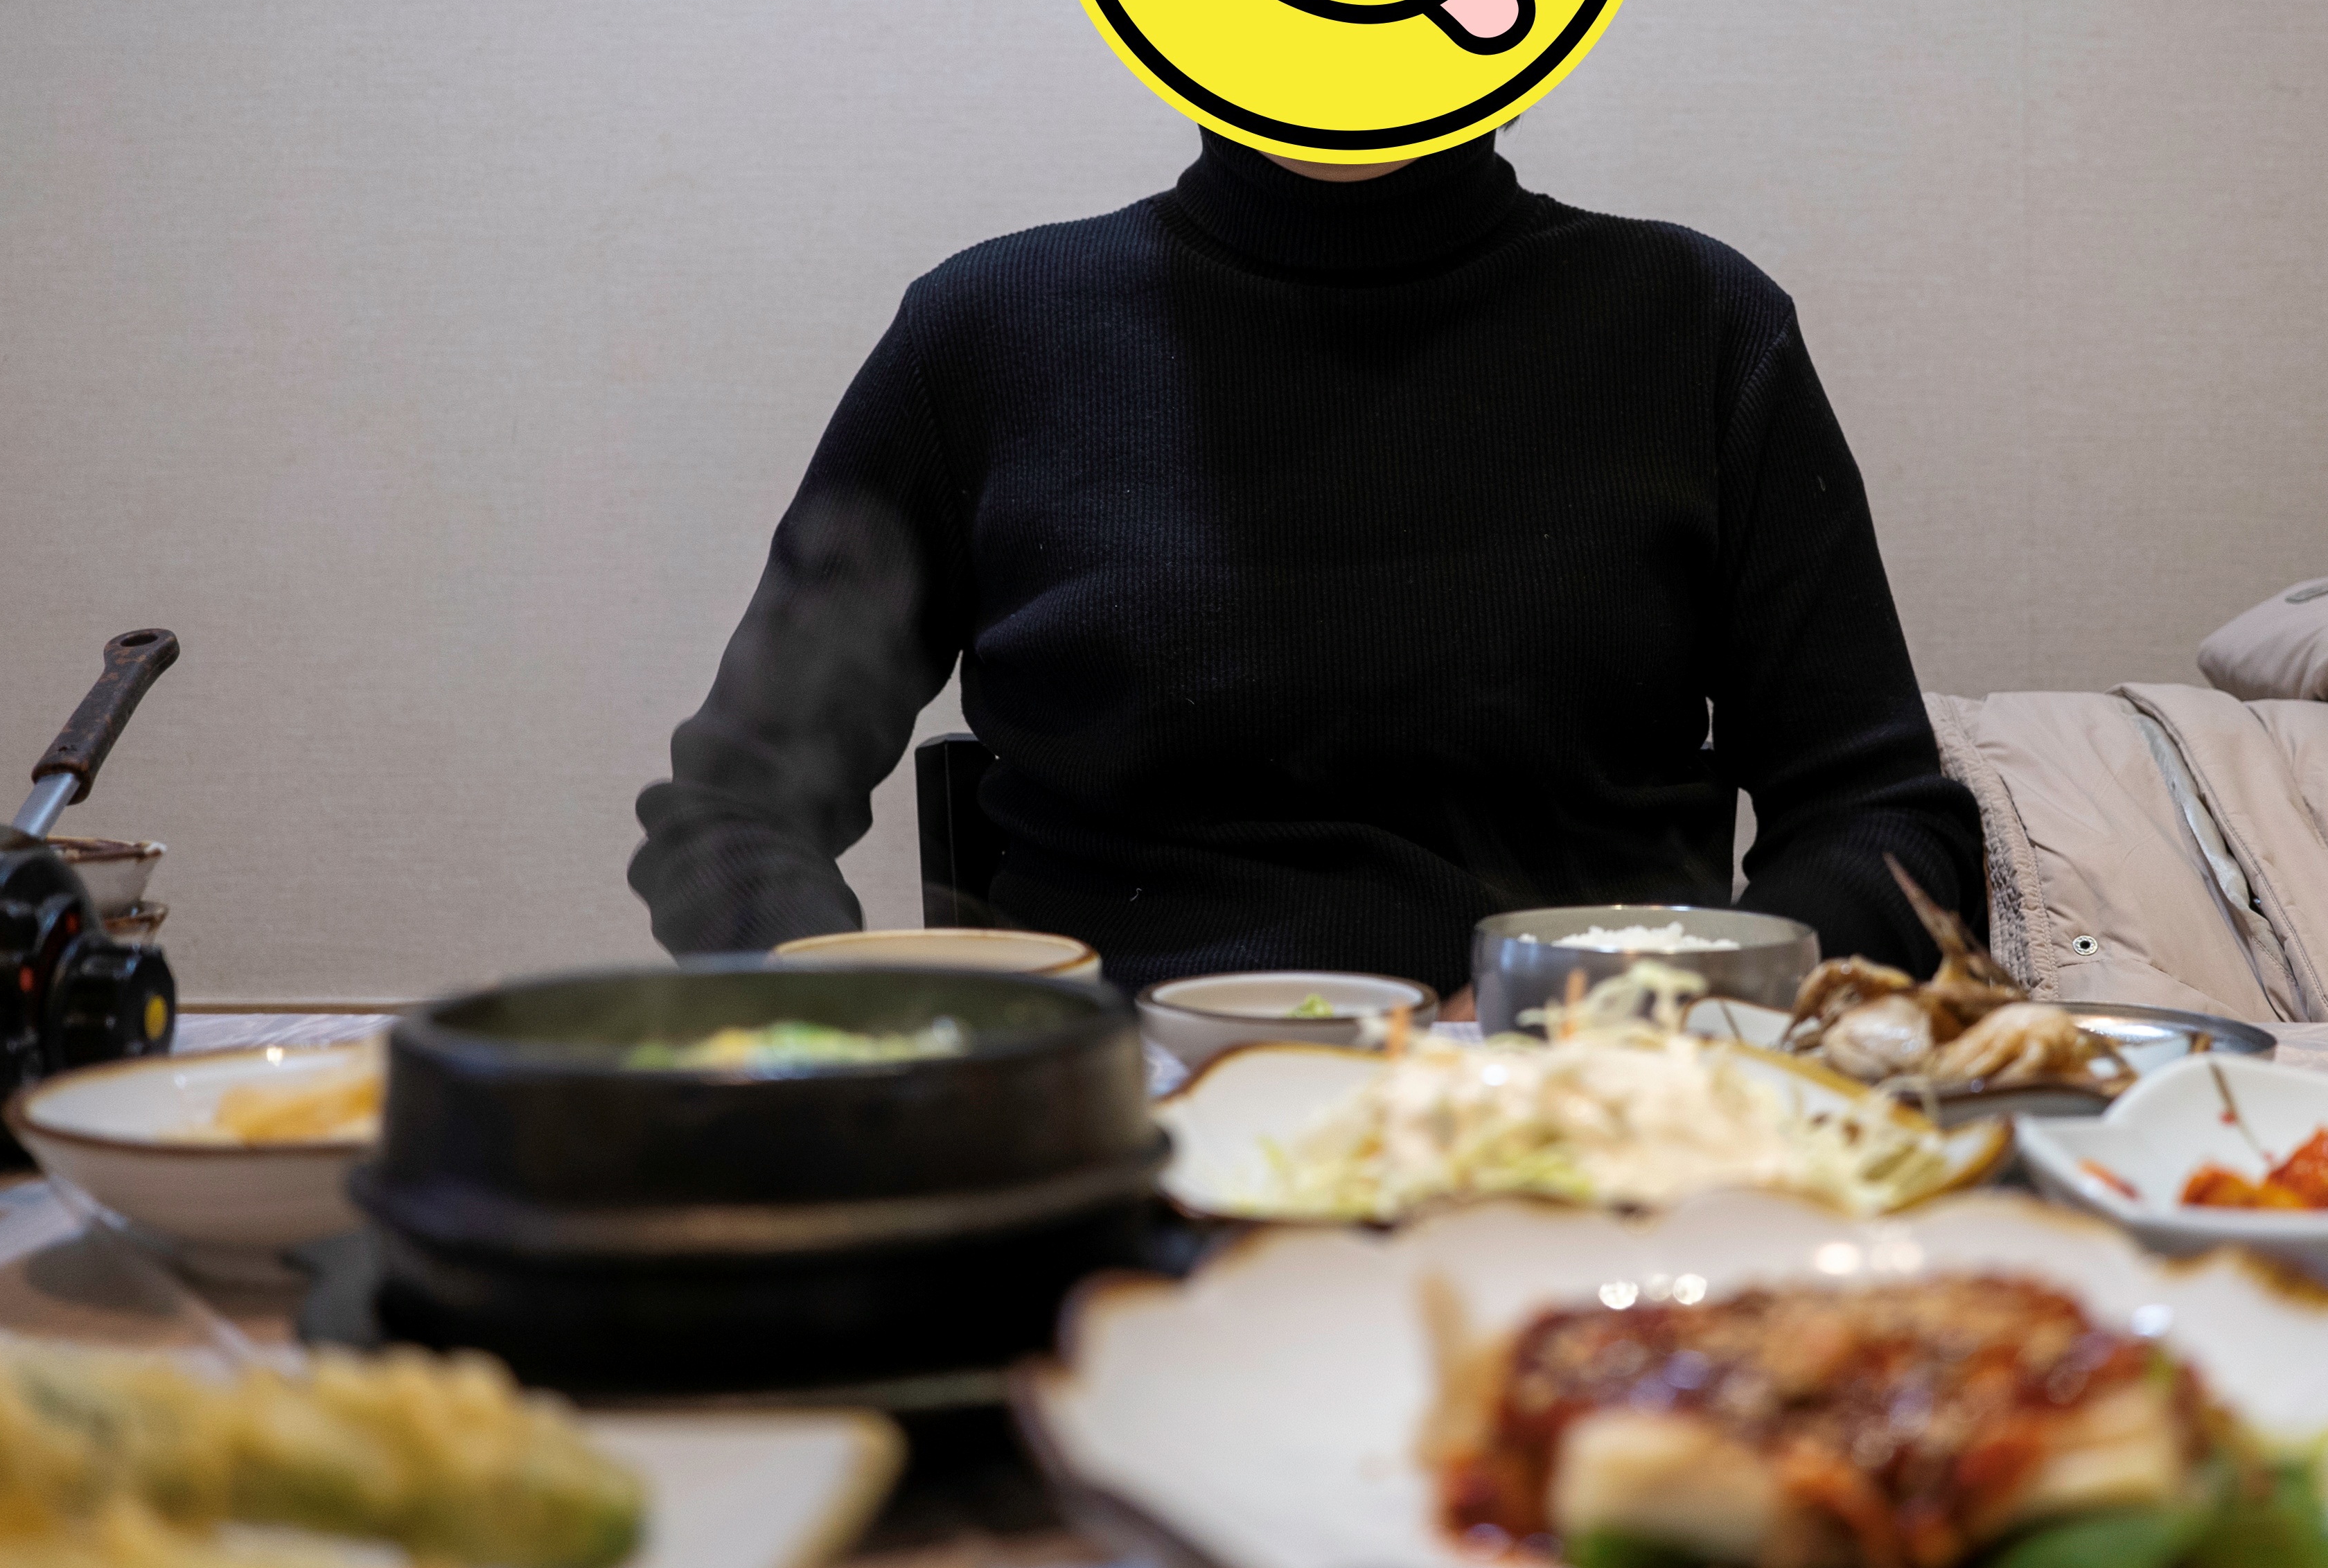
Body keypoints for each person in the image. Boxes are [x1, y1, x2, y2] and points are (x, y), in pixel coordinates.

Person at [628, 124, 1986, 993]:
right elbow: (731, 815)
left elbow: (1886, 830)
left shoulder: (1698, 326)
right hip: (1118, 1141)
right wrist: (883, 1047)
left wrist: (1642, 1021)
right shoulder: (987, 335)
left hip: (1586, 1136)